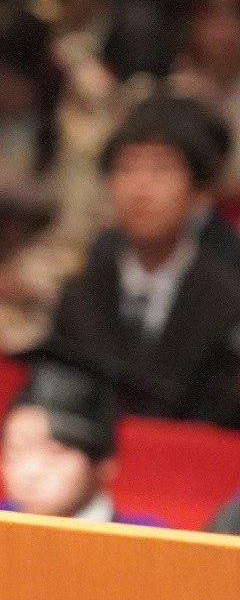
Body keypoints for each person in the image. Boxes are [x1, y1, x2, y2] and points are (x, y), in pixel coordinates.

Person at [39, 96, 240, 425]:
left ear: (199, 192)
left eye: (162, 169)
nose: (140, 188)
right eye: (126, 168)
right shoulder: (81, 292)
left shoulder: (227, 300)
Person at [0, 362, 164, 525]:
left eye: (55, 452)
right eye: (15, 450)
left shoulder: (144, 537)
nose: (31, 471)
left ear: (104, 465)